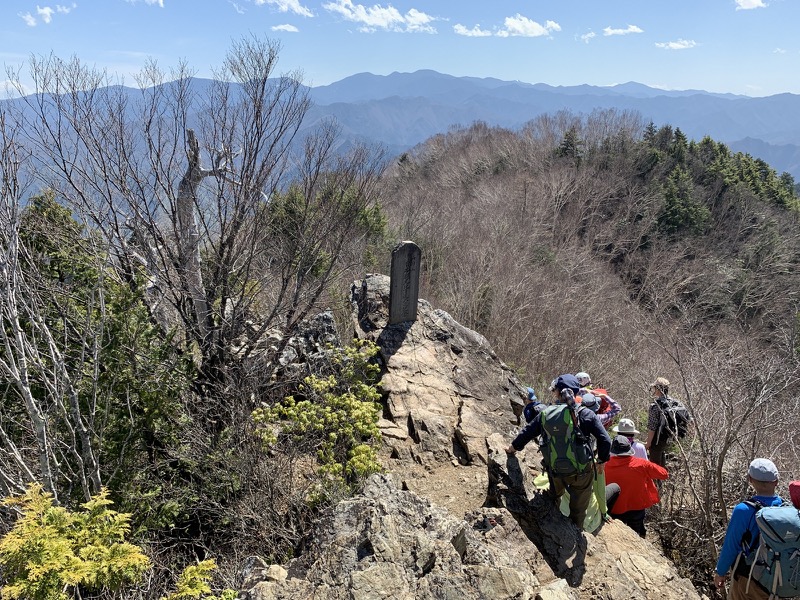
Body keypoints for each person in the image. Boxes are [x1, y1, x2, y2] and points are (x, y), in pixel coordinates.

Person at [506, 374, 611, 528]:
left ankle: (551, 520)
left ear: (557, 392)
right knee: (579, 508)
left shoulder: (546, 413)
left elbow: (527, 433)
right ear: (576, 392)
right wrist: (601, 460)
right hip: (582, 471)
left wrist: (512, 448)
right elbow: (605, 440)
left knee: (554, 496)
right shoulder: (585, 413)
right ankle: (576, 532)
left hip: (555, 469)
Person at [714, 458, 783, 599]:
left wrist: (720, 572)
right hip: (779, 579)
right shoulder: (786, 508)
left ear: (750, 479)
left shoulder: (743, 510)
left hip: (749, 578)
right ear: (776, 481)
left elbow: (731, 545)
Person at [603, 435, 669, 537]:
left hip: (615, 509)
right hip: (637, 508)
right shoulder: (642, 464)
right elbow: (664, 474)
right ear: (629, 448)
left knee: (618, 537)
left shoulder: (604, 466)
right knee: (636, 535)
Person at [645, 377, 672, 467]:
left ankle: (656, 481)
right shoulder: (674, 403)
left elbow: (652, 426)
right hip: (669, 439)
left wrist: (648, 442)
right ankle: (662, 479)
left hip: (657, 440)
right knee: (662, 462)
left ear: (658, 389)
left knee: (655, 466)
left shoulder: (655, 405)